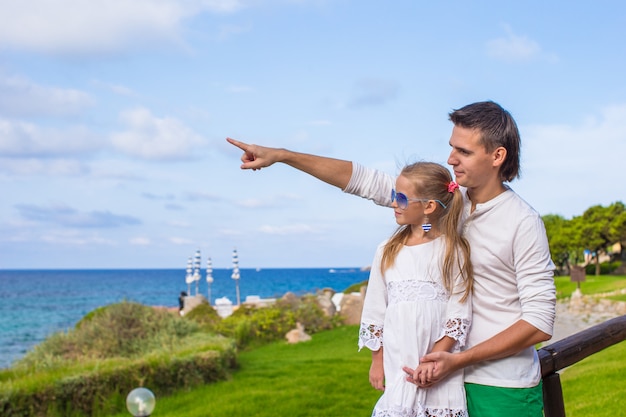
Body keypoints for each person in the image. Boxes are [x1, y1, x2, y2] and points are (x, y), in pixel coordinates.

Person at [226, 100, 556, 417]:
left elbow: (539, 323)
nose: (451, 158)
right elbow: (364, 181)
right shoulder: (445, 204)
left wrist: (459, 359)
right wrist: (282, 156)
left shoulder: (522, 222)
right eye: (452, 147)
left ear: (498, 155)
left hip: (499, 387)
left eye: (464, 151)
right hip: (439, 383)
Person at [359, 161, 473, 417]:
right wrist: (377, 361)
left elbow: (459, 313)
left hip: (439, 368)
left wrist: (434, 359)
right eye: (393, 196)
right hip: (398, 364)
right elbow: (375, 309)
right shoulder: (387, 250)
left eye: (400, 198)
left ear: (429, 207)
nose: (393, 204)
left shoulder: (453, 251)